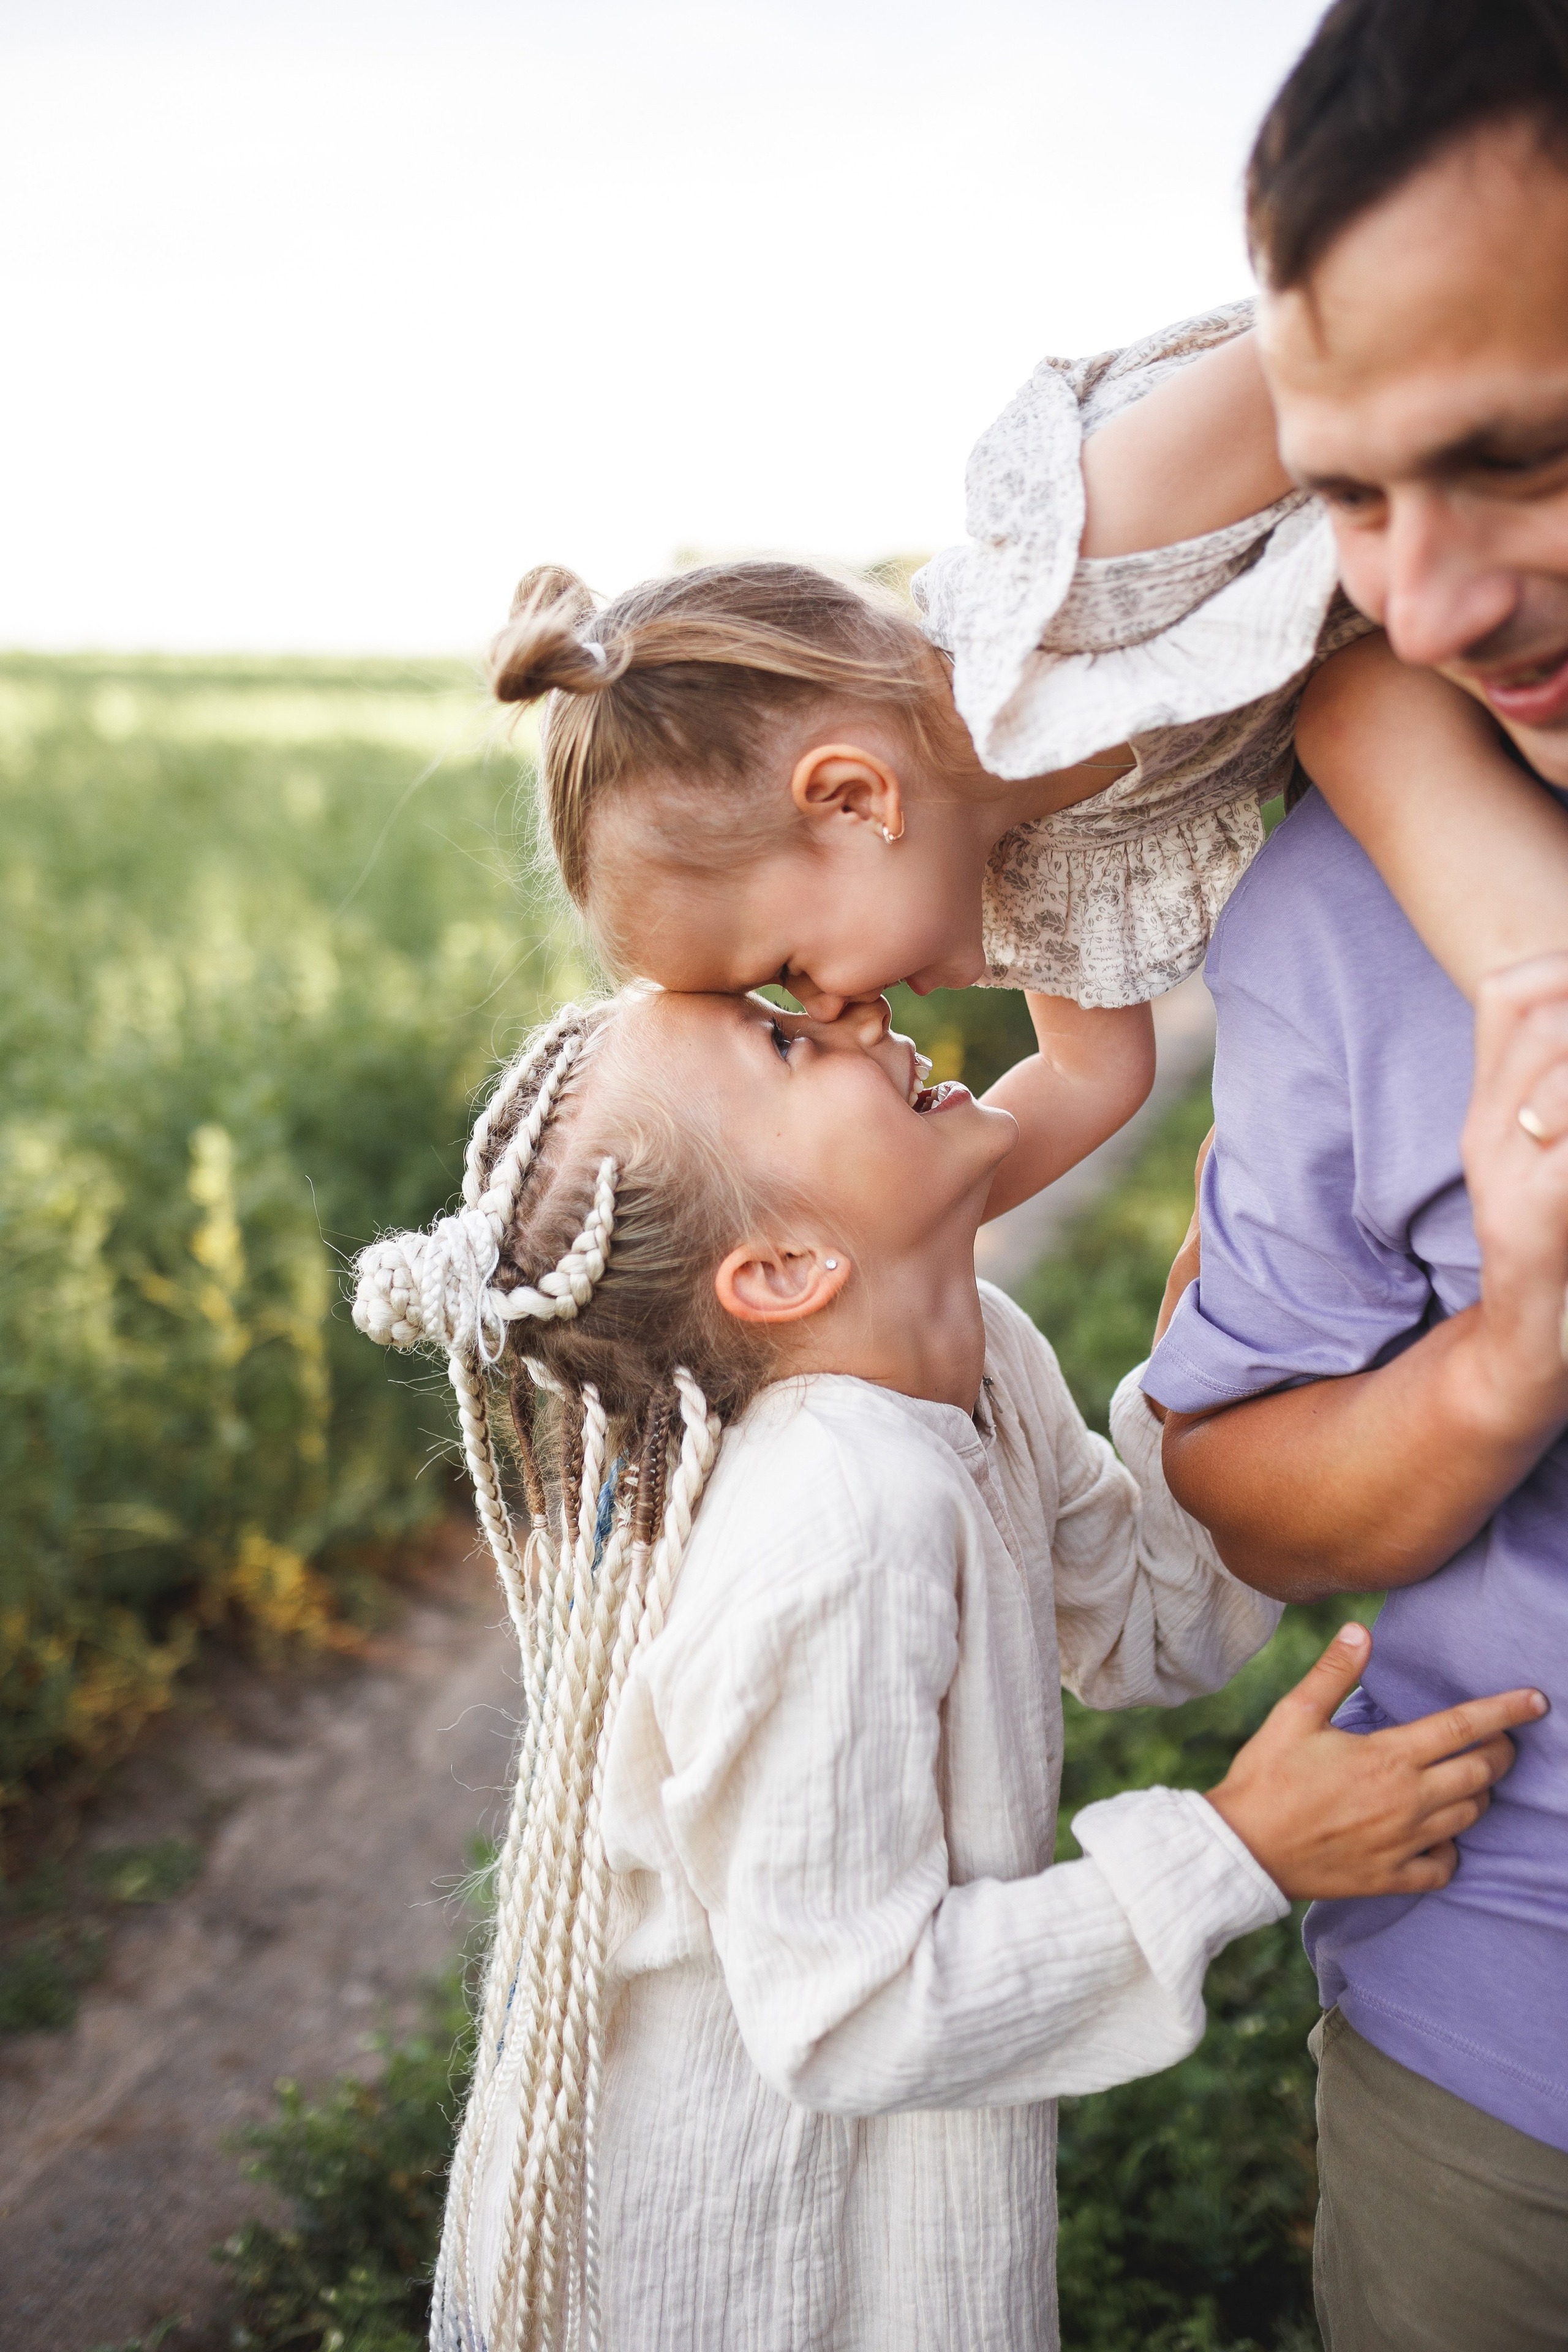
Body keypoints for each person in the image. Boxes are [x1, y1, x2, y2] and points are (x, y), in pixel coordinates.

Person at [352, 979, 1539, 2352]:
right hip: (746, 2271)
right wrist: (1238, 1849)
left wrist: (1209, 1371)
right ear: (784, 1271)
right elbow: (849, 2011)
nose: (850, 1013)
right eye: (787, 1043)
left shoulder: (973, 1368)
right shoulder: (840, 1519)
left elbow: (1150, 1624)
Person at [1133, 3, 1568, 2345]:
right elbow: (1243, 1490)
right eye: (1359, 499)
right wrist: (1511, 1356)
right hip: (1512, 2063)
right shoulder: (1345, 906)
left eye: (1527, 459)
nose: (1439, 603)